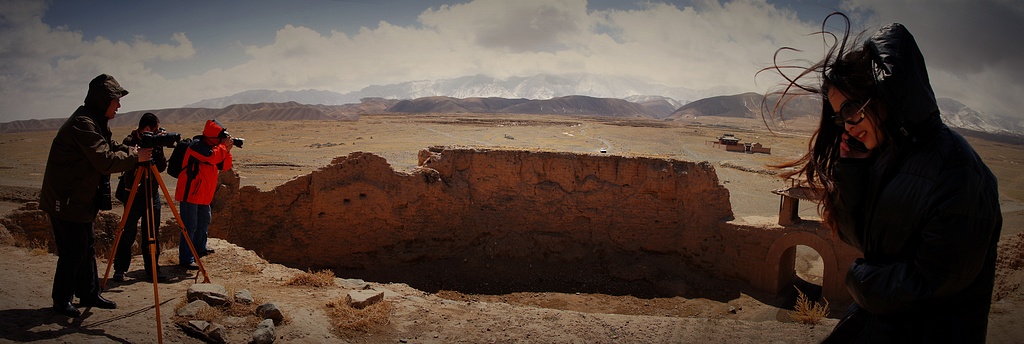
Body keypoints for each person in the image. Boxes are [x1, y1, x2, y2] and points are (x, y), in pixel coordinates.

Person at [761, 13, 1002, 342]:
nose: (845, 125)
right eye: (838, 116)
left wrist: (859, 278)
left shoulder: (957, 173)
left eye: (850, 110)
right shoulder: (888, 156)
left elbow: (927, 286)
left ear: (885, 95)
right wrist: (852, 170)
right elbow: (860, 239)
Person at [40, 74, 152, 317]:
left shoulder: (94, 121)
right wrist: (136, 158)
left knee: (85, 246)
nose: (119, 106)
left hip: (77, 198)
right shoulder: (83, 124)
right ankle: (62, 300)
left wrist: (131, 150)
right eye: (116, 101)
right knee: (73, 251)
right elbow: (104, 160)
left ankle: (88, 292)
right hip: (66, 199)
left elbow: (109, 147)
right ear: (104, 101)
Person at [113, 113, 169, 283]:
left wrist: (156, 146)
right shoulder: (129, 142)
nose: (158, 132)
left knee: (151, 233)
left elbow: (160, 167)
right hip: (134, 192)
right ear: (147, 129)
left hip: (151, 193)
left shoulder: (155, 142)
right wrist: (139, 155)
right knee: (127, 232)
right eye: (156, 129)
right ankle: (120, 269)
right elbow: (125, 164)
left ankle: (152, 270)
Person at [175, 119, 233, 269]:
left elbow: (224, 166)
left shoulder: (215, 147)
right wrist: (222, 147)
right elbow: (211, 157)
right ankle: (186, 259)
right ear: (213, 136)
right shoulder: (197, 146)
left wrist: (227, 150)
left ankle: (200, 248)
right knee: (190, 225)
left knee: (204, 222)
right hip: (190, 193)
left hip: (203, 193)